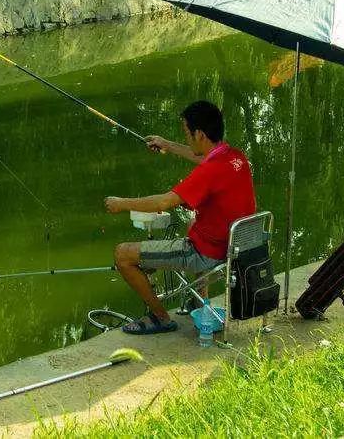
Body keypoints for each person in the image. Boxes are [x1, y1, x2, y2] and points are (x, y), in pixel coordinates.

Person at [103, 100, 256, 335]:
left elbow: (163, 202)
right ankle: (199, 301)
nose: (186, 138)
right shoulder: (236, 158)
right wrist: (167, 145)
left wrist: (120, 204)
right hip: (236, 247)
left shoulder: (209, 171)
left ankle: (160, 317)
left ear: (200, 134)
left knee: (123, 254)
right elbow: (203, 158)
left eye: (187, 133)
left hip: (206, 253)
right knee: (193, 221)